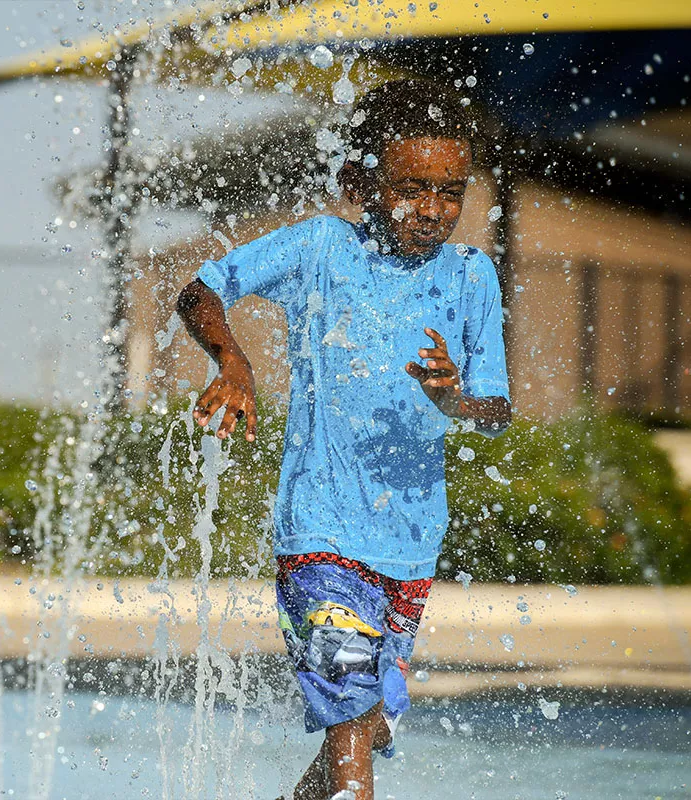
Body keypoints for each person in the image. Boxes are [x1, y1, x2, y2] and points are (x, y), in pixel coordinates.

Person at [176, 79, 511, 800]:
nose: (431, 211)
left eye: (450, 191)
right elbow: (200, 290)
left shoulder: (469, 275)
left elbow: (497, 408)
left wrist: (454, 398)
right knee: (352, 713)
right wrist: (234, 362)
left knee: (370, 723)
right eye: (410, 188)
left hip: (411, 541)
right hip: (321, 531)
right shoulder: (322, 247)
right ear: (360, 182)